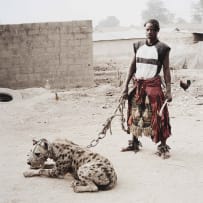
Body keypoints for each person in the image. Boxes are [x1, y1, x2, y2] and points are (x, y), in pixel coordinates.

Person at [121, 19, 172, 159]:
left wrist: (168, 90)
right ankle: (134, 142)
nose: (149, 32)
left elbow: (166, 70)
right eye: (147, 29)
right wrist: (125, 86)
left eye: (152, 30)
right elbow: (132, 67)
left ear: (157, 31)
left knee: (159, 116)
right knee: (135, 113)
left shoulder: (163, 48)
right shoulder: (138, 46)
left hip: (153, 86)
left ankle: (162, 146)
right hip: (138, 85)